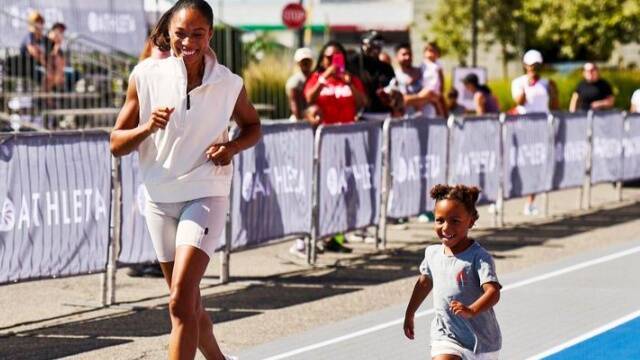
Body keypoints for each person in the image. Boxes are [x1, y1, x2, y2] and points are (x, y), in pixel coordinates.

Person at [110, 1, 261, 359]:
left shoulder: (229, 83)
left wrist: (232, 147)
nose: (189, 41)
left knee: (179, 300)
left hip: (206, 192)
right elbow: (116, 144)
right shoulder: (145, 76)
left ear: (210, 34)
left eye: (197, 33)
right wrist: (148, 126)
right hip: (159, 197)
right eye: (180, 34)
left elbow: (253, 126)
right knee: (188, 304)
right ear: (169, 35)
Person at [404, 184, 502, 359]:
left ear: (471, 221)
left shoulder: (479, 257)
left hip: (482, 342)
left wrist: (471, 310)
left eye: (455, 221)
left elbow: (493, 292)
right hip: (445, 336)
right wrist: (410, 313)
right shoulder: (432, 253)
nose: (446, 228)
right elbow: (424, 283)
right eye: (440, 220)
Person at [510, 49, 558, 215]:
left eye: (537, 66)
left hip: (542, 129)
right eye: (531, 66)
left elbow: (554, 106)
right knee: (518, 163)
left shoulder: (546, 83)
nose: (534, 69)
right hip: (523, 129)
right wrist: (527, 84)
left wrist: (553, 91)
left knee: (536, 165)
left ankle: (530, 202)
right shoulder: (518, 82)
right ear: (525, 66)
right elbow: (519, 101)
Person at [304, 41, 367, 127]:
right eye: (329, 58)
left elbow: (362, 103)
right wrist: (324, 77)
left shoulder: (352, 79)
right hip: (325, 131)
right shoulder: (315, 78)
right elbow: (309, 99)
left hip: (348, 130)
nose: (333, 61)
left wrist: (350, 84)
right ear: (322, 61)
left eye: (337, 57)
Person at [347, 31, 395, 113]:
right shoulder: (351, 63)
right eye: (372, 44)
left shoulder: (386, 68)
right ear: (363, 45)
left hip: (381, 112)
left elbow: (392, 88)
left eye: (379, 45)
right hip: (358, 113)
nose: (376, 48)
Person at [418, 42, 447, 117]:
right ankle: (418, 110)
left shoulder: (438, 65)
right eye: (429, 50)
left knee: (440, 109)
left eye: (434, 51)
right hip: (425, 89)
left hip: (435, 91)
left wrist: (441, 91)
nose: (431, 53)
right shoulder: (422, 64)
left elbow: (441, 79)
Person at [286, 47, 313, 121]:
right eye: (303, 61)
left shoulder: (316, 77)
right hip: (300, 122)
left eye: (307, 60)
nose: (306, 63)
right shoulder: (295, 81)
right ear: (298, 63)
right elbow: (295, 108)